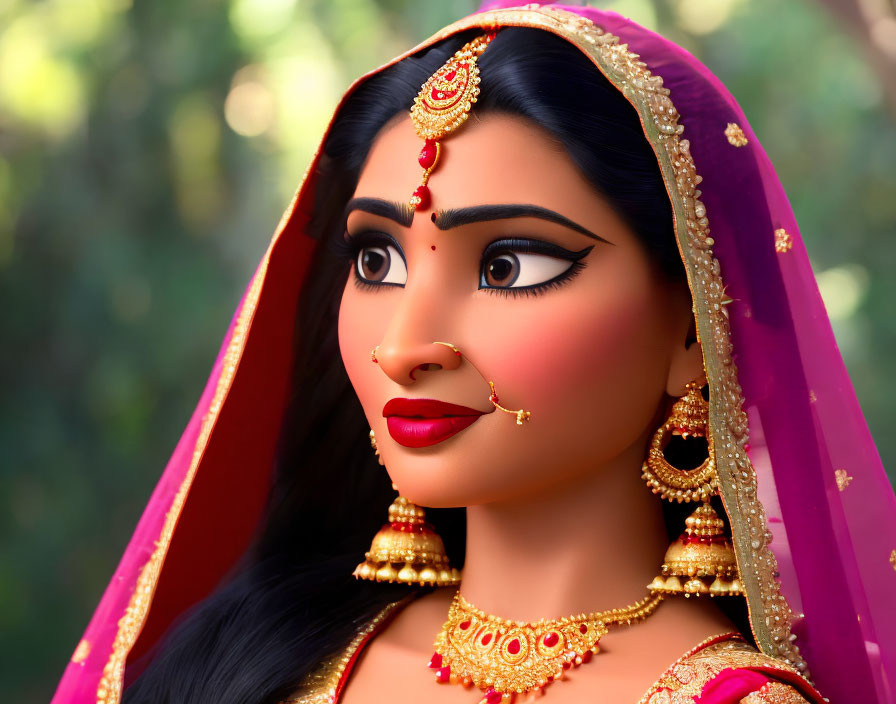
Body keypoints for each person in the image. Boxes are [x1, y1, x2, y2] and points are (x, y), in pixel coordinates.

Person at [52, 3, 896, 703]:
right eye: (375, 261)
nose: (402, 346)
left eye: (508, 265)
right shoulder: (262, 665)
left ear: (692, 329)